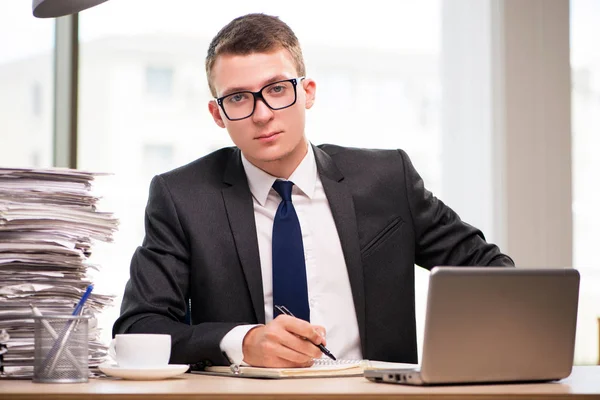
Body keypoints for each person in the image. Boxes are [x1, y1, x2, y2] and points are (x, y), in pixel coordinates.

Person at [113, 13, 513, 370]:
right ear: (218, 114)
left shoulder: (388, 179)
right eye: (238, 98)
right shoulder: (182, 197)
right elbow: (137, 328)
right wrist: (243, 341)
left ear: (308, 92)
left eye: (277, 89)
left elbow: (491, 273)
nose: (262, 114)